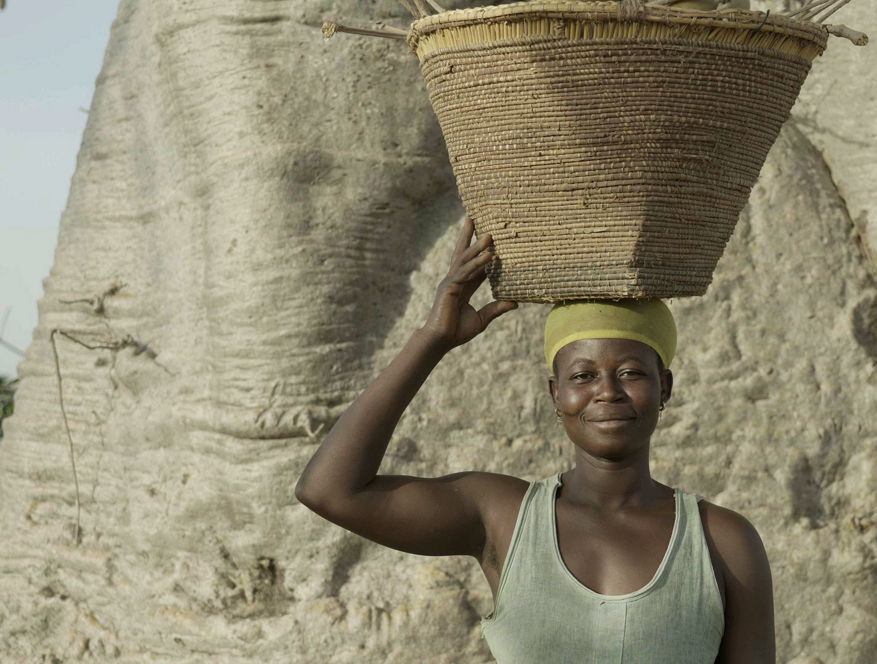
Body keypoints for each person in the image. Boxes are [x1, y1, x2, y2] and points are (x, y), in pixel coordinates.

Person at [295, 219, 775, 662]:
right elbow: (330, 491)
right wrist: (433, 336)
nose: (606, 391)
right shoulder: (504, 517)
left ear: (664, 387)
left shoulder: (722, 541)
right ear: (556, 393)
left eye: (630, 372)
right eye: (583, 375)